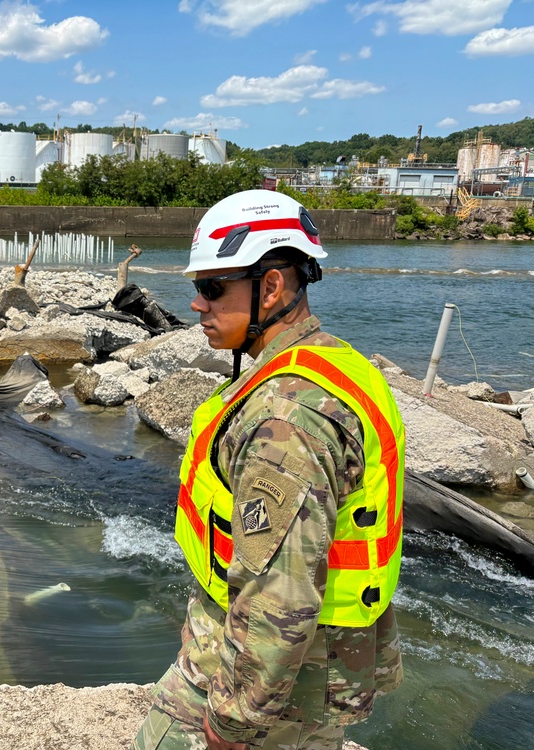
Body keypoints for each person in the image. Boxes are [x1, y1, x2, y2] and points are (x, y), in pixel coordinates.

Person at [134, 190, 405, 750]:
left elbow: (279, 593)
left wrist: (235, 722)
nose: (197, 306)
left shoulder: (289, 415)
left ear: (273, 287)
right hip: (317, 661)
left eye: (212, 289)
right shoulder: (333, 362)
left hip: (276, 677)